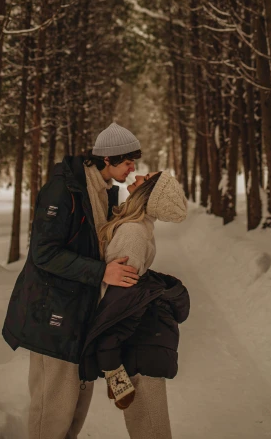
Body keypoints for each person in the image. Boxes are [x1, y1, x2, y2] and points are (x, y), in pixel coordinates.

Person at [2, 122, 144, 439]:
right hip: (53, 311)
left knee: (76, 405)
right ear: (107, 159)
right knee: (52, 409)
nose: (133, 167)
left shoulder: (106, 192)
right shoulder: (63, 190)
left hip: (82, 310)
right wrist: (101, 272)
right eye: (127, 161)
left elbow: (101, 241)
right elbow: (43, 253)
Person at [79, 169, 189, 439]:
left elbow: (120, 300)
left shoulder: (132, 233)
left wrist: (108, 357)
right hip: (144, 339)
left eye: (146, 177)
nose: (137, 175)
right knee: (148, 426)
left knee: (151, 429)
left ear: (148, 193)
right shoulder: (137, 226)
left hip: (140, 345)